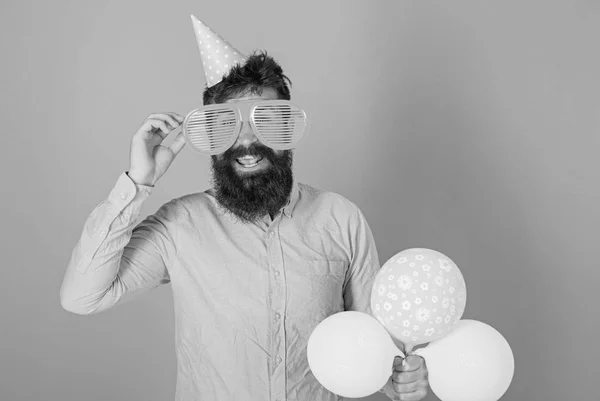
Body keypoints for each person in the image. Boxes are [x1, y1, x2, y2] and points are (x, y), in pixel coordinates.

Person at [60, 16, 429, 401]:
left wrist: (403, 377)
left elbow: (374, 350)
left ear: (288, 133)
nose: (247, 141)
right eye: (227, 125)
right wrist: (138, 183)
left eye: (267, 122)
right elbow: (81, 296)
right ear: (212, 137)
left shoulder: (340, 218)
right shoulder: (180, 225)